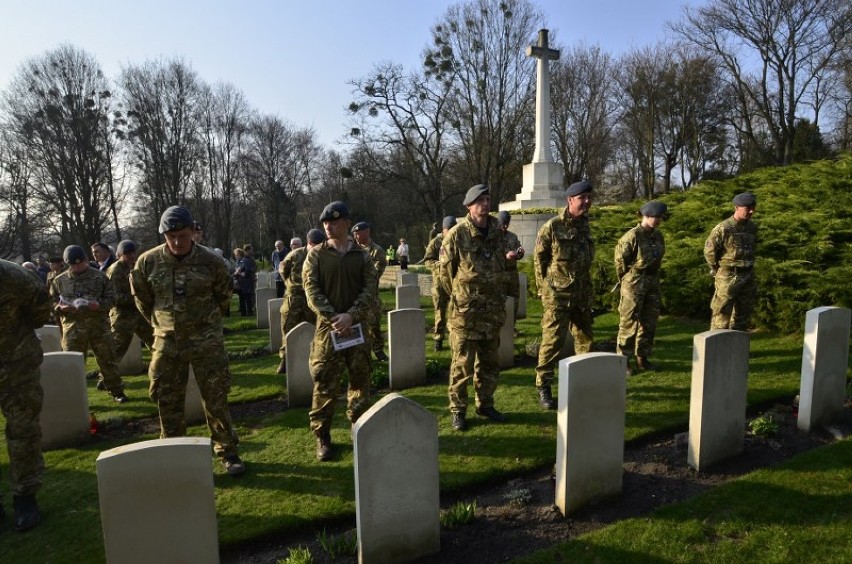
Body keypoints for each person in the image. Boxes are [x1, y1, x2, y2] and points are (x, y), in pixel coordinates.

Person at [130, 205, 245, 476]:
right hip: (167, 344)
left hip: (207, 342)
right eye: (171, 237)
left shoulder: (212, 262)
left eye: (183, 235)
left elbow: (223, 297)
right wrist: (163, 327)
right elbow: (143, 301)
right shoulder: (147, 263)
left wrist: (204, 325)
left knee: (216, 398)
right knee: (167, 401)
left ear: (193, 232)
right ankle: (173, 455)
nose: (178, 242)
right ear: (164, 236)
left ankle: (227, 452)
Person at [303, 201, 378, 461]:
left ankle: (359, 428)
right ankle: (322, 436)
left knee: (360, 381)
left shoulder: (362, 255)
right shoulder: (316, 255)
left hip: (356, 329)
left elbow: (370, 289)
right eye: (325, 223)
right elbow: (311, 291)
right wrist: (335, 318)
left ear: (347, 223)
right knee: (325, 384)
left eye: (333, 222)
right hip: (329, 331)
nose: (328, 226)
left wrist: (351, 315)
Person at [439, 184, 507, 432]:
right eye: (479, 201)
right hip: (466, 314)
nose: (485, 205)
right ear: (469, 206)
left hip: (491, 312)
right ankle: (458, 410)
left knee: (489, 364)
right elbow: (446, 275)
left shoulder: (497, 232)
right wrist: (462, 297)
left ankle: (485, 404)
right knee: (462, 366)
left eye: (487, 200)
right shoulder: (456, 235)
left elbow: (501, 266)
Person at [533, 181, 595, 410]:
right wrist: (542, 289)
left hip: (581, 294)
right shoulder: (552, 227)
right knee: (552, 342)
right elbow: (539, 260)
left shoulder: (585, 226)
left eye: (589, 197)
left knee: (585, 338)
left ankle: (582, 382)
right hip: (558, 295)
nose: (587, 202)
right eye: (583, 198)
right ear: (570, 200)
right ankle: (544, 386)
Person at [0, 258, 51, 532]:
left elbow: (41, 311)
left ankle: (25, 497)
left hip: (15, 364)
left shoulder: (14, 277)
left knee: (23, 430)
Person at [50, 245, 128, 402]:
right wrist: (60, 307)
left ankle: (116, 391)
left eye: (81, 263)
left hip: (98, 326)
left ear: (86, 260)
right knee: (72, 365)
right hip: (73, 329)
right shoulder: (59, 281)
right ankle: (73, 398)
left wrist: (99, 305)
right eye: (74, 264)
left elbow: (112, 299)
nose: (78, 267)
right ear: (67, 264)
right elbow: (51, 303)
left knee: (108, 360)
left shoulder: (99, 277)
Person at [614, 201, 667, 373]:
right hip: (634, 281)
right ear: (645, 216)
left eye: (659, 217)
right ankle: (623, 360)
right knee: (629, 322)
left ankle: (642, 358)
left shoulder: (658, 236)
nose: (657, 220)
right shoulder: (632, 236)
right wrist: (626, 279)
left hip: (651, 281)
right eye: (654, 217)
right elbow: (620, 261)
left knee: (649, 322)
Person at [704, 192, 758, 331]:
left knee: (743, 316)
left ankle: (737, 350)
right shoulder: (724, 228)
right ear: (736, 208)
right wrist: (717, 269)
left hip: (747, 275)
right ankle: (716, 350)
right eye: (747, 209)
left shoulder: (752, 228)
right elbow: (710, 252)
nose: (751, 211)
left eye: (753, 208)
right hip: (728, 276)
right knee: (721, 315)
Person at [276, 229, 323, 374]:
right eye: (316, 244)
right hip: (295, 298)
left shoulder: (322, 255)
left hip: (312, 299)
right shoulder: (295, 255)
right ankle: (285, 359)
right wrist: (292, 285)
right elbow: (283, 271)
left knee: (314, 329)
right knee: (288, 329)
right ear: (309, 242)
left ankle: (314, 359)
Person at [107, 240, 154, 364]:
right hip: (122, 316)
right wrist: (138, 298)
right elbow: (115, 297)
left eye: (133, 252)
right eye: (127, 253)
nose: (131, 256)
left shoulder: (136, 266)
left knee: (155, 342)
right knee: (118, 348)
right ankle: (106, 378)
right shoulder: (115, 270)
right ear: (120, 254)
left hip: (138, 313)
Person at [352, 221, 388, 361]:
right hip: (354, 295)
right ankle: (359, 352)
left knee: (374, 325)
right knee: (356, 324)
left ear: (366, 232)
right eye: (354, 234)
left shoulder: (377, 251)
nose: (356, 236)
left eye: (358, 233)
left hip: (370, 295)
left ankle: (378, 350)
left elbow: (375, 274)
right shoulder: (352, 249)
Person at [423, 215, 456, 351]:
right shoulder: (436, 243)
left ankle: (455, 339)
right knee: (440, 312)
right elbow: (427, 261)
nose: (451, 231)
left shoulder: (457, 240)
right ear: (444, 230)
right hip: (439, 282)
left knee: (455, 311)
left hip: (454, 281)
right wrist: (440, 265)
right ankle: (438, 338)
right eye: (449, 229)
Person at [497, 210, 525, 328]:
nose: (504, 226)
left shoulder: (513, 236)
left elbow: (518, 249)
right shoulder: (493, 237)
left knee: (514, 301)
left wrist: (520, 253)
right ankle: (499, 328)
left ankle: (511, 327)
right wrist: (505, 256)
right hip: (500, 273)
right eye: (502, 223)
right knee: (499, 302)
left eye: (506, 224)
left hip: (512, 273)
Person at [233, 246, 257, 316]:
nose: (236, 256)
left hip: (246, 282)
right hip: (240, 282)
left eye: (237, 255)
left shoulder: (245, 261)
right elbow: (236, 271)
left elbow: (248, 271)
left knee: (247, 298)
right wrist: (236, 273)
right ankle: (243, 313)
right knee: (241, 298)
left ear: (240, 254)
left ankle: (250, 313)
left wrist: (240, 273)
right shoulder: (238, 262)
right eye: (235, 255)